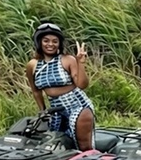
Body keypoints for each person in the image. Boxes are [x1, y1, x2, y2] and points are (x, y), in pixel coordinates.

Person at [26, 22, 95, 150]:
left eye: (54, 41)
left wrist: (80, 63)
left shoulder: (67, 60)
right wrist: (43, 110)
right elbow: (36, 91)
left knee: (83, 146)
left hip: (77, 106)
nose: (50, 44)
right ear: (39, 42)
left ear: (59, 44)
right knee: (56, 144)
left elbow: (82, 85)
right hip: (55, 110)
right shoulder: (33, 65)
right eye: (46, 41)